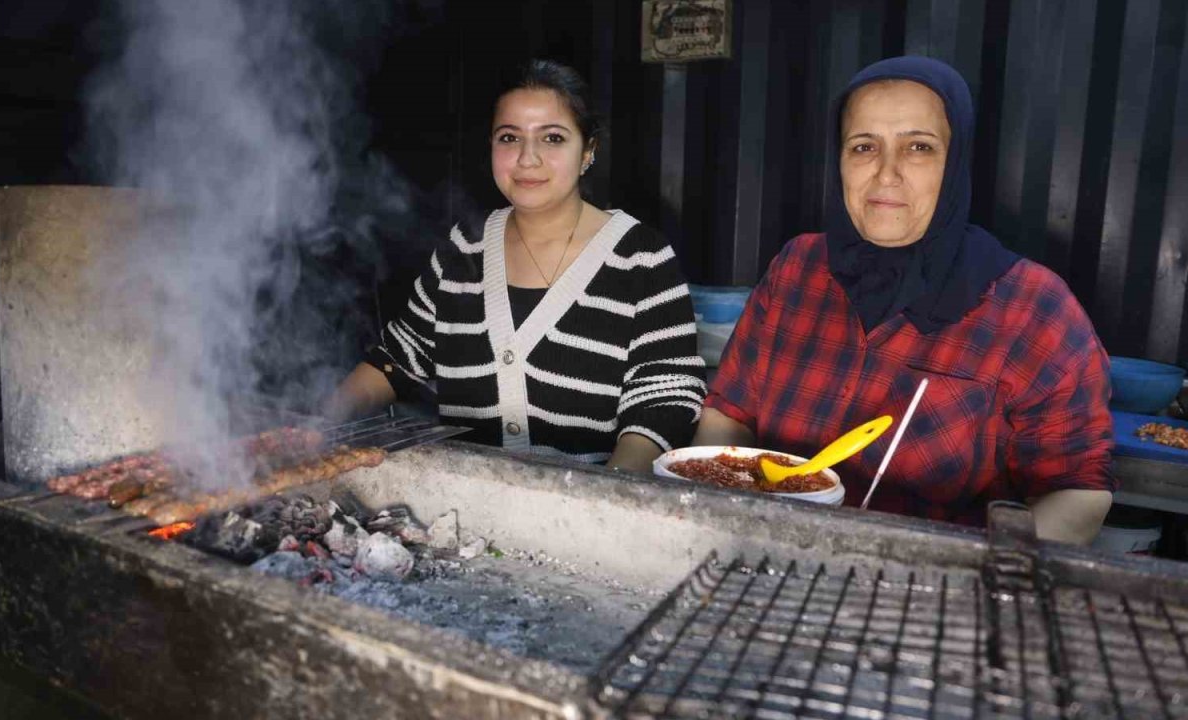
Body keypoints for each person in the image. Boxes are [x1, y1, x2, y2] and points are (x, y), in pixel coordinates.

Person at [693, 56, 1115, 544]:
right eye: (863, 146)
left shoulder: (1034, 309)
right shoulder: (798, 268)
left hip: (930, 593)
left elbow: (1078, 490)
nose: (886, 173)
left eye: (918, 147)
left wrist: (971, 576)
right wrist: (723, 521)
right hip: (771, 556)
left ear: (955, 162)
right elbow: (730, 413)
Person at [330, 60, 705, 471]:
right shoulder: (463, 249)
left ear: (588, 152)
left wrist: (607, 497)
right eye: (509, 137)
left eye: (553, 138)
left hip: (591, 514)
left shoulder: (641, 257)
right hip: (459, 510)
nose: (528, 158)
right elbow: (397, 360)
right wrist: (315, 431)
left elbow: (665, 397)